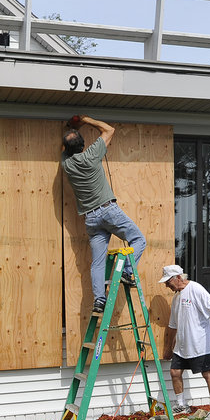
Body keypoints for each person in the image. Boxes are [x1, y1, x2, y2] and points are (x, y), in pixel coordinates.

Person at [61, 115, 146, 313]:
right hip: (108, 211)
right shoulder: (92, 155)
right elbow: (109, 130)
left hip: (91, 219)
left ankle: (99, 300)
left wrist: (69, 129)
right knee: (139, 240)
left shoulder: (66, 165)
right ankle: (126, 271)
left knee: (97, 262)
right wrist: (85, 119)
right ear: (83, 145)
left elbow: (66, 149)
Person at [159, 265, 210, 420]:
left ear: (178, 277)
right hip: (181, 346)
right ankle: (181, 405)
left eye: (168, 281)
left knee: (207, 373)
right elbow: (172, 326)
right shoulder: (176, 297)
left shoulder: (196, 289)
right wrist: (168, 348)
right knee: (175, 372)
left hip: (200, 343)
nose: (166, 285)